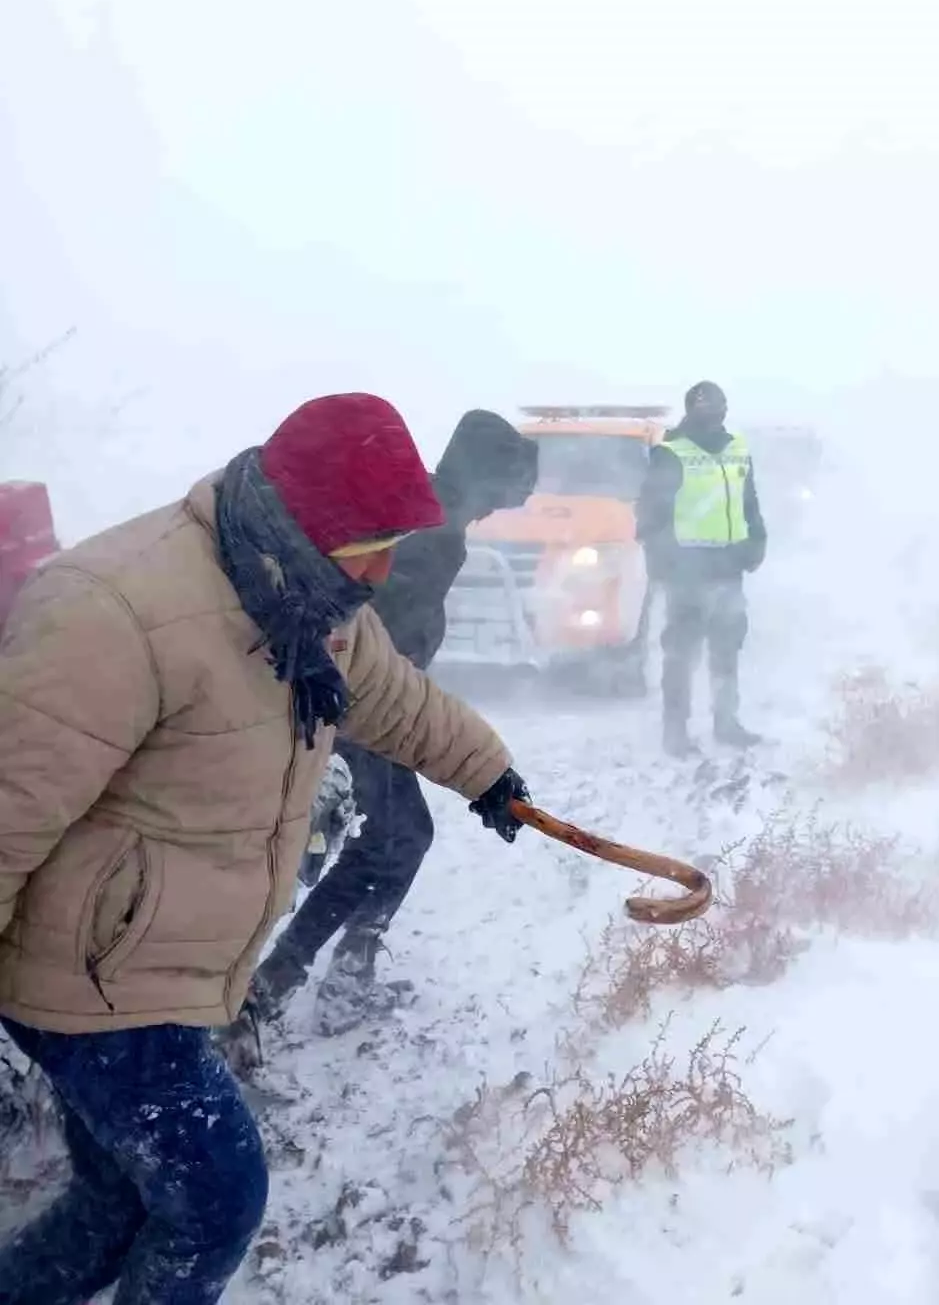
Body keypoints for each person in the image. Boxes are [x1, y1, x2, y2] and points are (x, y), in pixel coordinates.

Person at [0, 393, 530, 1305]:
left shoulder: (307, 593)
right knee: (216, 1200)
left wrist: (488, 772)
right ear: (314, 520)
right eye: (375, 542)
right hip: (91, 978)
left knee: (119, 1197)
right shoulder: (118, 610)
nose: (388, 566)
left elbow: (394, 699)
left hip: (153, 961)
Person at [243, 410, 538, 1038]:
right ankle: (286, 986)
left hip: (358, 702)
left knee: (394, 837)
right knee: (394, 838)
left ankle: (311, 977)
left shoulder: (436, 513)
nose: (505, 507)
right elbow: (374, 629)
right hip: (357, 707)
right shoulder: (435, 531)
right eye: (509, 490)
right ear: (487, 478)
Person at [636, 381, 767, 757]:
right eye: (705, 406)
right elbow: (649, 514)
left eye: (719, 405)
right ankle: (675, 732)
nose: (714, 412)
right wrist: (664, 562)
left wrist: (757, 541)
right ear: (691, 409)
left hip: (729, 568)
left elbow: (750, 503)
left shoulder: (737, 449)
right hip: (686, 573)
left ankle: (726, 723)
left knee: (727, 650)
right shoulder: (671, 452)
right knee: (681, 653)